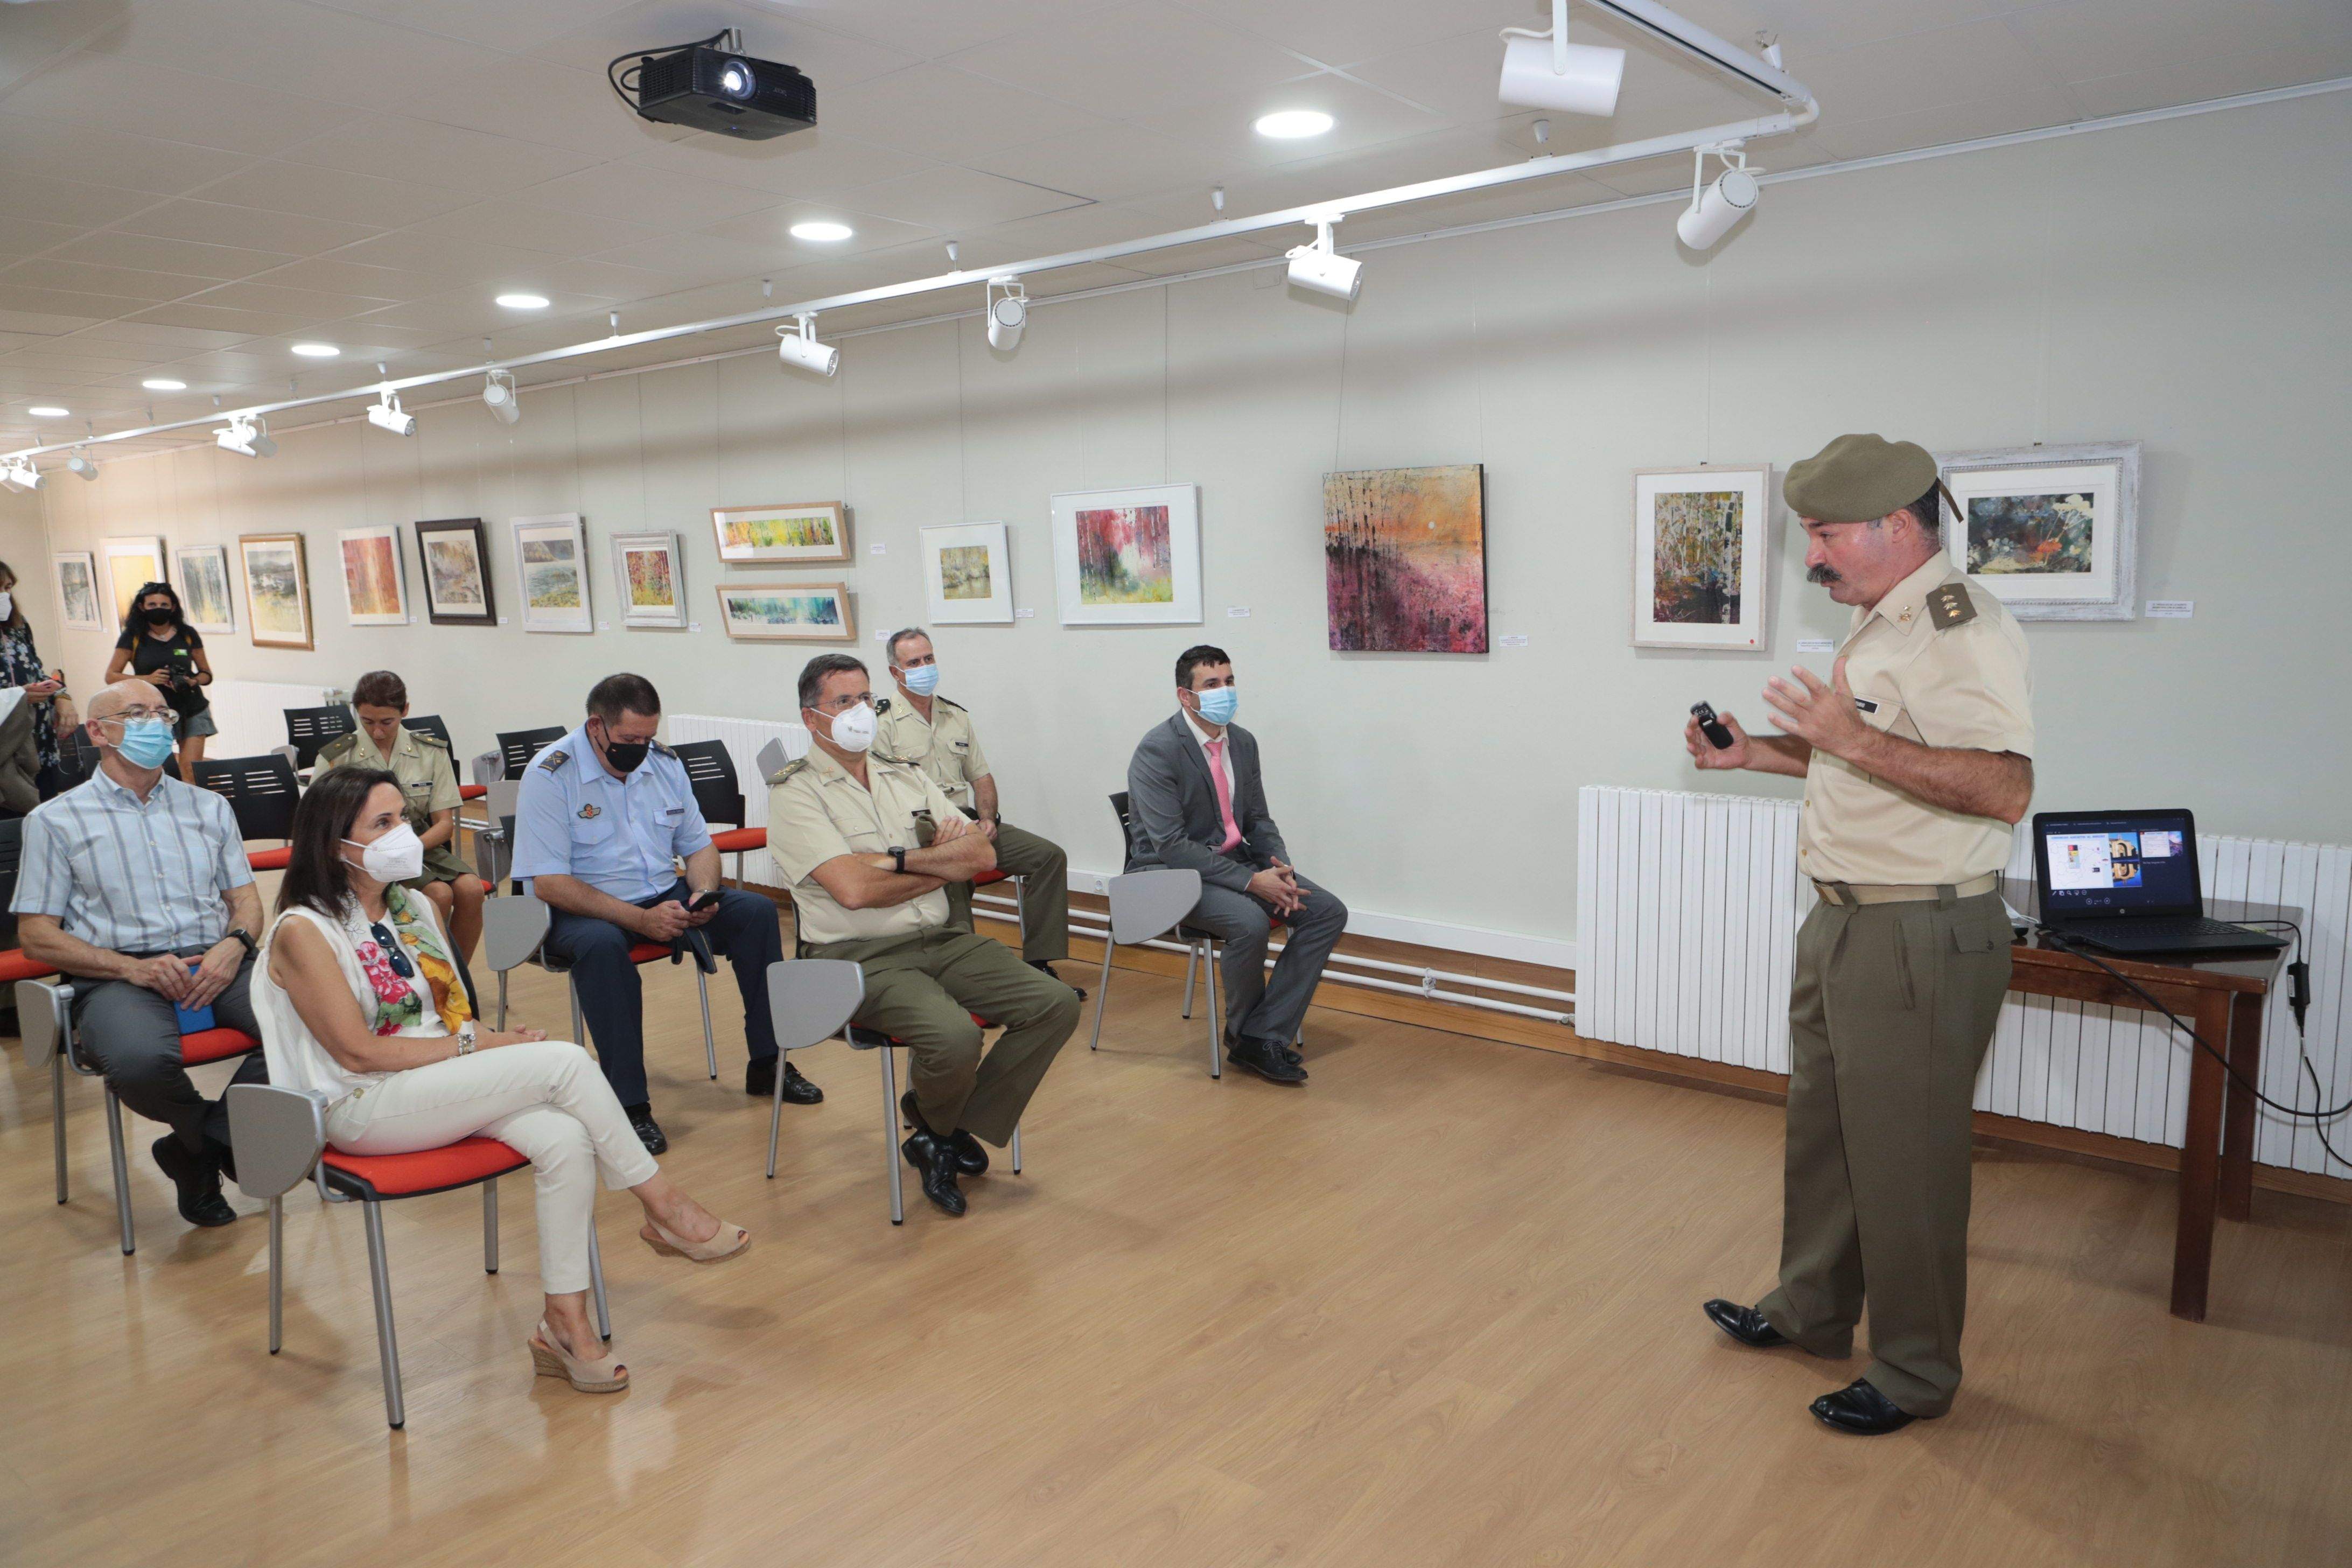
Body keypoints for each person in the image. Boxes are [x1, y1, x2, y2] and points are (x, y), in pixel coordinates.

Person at [1688, 433, 2034, 1436]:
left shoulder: (1958, 627)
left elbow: (2001, 785)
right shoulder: (1885, 623)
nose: (1814, 556)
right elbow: (1877, 763)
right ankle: (1811, 1308)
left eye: (1826, 534)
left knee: (1908, 1159)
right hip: (1844, 920)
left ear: (1894, 525)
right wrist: (1760, 752)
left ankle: (1917, 1370)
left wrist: (1847, 735)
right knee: (1827, 1135)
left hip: (1919, 932)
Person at [257, 767, 749, 1396]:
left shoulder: (413, 905)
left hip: (434, 1082)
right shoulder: (304, 928)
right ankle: (664, 1205)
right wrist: (483, 1045)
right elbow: (358, 1052)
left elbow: (451, 1013)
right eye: (382, 824)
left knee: (566, 1139)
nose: (404, 834)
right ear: (334, 845)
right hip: (357, 1104)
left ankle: (563, 1324)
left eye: (402, 818)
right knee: (568, 1061)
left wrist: (487, 1044)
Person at [769, 654, 1080, 1217]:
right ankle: (941, 1129)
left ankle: (939, 1129)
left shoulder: (904, 773)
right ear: (811, 717)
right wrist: (936, 862)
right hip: (854, 956)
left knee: (1053, 1002)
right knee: (955, 1036)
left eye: (866, 698)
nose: (860, 711)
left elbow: (981, 854)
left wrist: (892, 861)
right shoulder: (796, 793)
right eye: (843, 702)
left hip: (940, 938)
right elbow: (852, 892)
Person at [511, 673, 818, 1155]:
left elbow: (699, 847)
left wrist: (703, 895)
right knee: (602, 945)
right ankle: (628, 1105)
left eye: (648, 737)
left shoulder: (663, 764)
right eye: (629, 739)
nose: (640, 748)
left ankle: (769, 1063)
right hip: (579, 907)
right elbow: (550, 883)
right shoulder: (551, 774)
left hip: (661, 893)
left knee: (756, 913)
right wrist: (638, 921)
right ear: (596, 726)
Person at [10, 680, 267, 1229]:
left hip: (217, 961)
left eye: (163, 713)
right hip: (118, 974)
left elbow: (245, 899)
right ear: (99, 731)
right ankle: (204, 1146)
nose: (157, 723)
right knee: (139, 1062)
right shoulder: (55, 820)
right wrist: (131, 967)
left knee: (311, 1023)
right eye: (138, 713)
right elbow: (36, 934)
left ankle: (205, 1145)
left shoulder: (209, 807)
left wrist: (234, 944)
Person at [1123, 645, 1348, 1085]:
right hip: (1167, 875)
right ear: (1186, 696)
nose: (1225, 691)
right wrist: (1252, 883)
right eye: (1212, 684)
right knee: (1249, 921)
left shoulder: (1241, 743)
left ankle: (1261, 1034)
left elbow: (1258, 819)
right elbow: (1171, 846)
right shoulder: (1158, 750)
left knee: (1327, 912)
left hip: (1234, 863)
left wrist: (1278, 867)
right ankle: (1248, 1038)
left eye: (1228, 681)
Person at [875, 627, 1083, 998]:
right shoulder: (883, 722)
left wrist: (988, 818)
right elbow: (882, 793)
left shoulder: (955, 716)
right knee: (953, 875)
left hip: (969, 821)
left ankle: (1038, 963)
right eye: (914, 663)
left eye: (929, 659)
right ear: (896, 672)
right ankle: (966, 983)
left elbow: (981, 777)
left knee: (1048, 857)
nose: (925, 668)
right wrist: (940, 836)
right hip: (922, 832)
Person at [311, 670, 489, 963]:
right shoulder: (339, 756)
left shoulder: (429, 751)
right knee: (438, 894)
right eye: (367, 722)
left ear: (405, 711)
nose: (377, 731)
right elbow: (318, 823)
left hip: (418, 839)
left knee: (471, 889)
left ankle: (458, 977)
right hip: (364, 847)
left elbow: (444, 825)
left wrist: (407, 850)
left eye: (387, 722)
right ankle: (423, 974)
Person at [104, 581, 214, 775]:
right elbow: (112, 676)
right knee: (159, 770)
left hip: (192, 706)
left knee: (192, 771)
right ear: (142, 607)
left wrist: (194, 680)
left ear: (173, 607)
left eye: (164, 605)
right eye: (152, 605)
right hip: (152, 711)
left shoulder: (187, 634)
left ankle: (189, 804)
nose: (159, 609)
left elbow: (206, 674)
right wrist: (147, 679)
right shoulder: (133, 636)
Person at [0, 558, 74, 808]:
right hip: (6, 742)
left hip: (38, 737)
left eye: (8, 588)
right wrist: (17, 696)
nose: (4, 595)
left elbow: (36, 672)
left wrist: (63, 697)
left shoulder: (18, 628)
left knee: (46, 811)